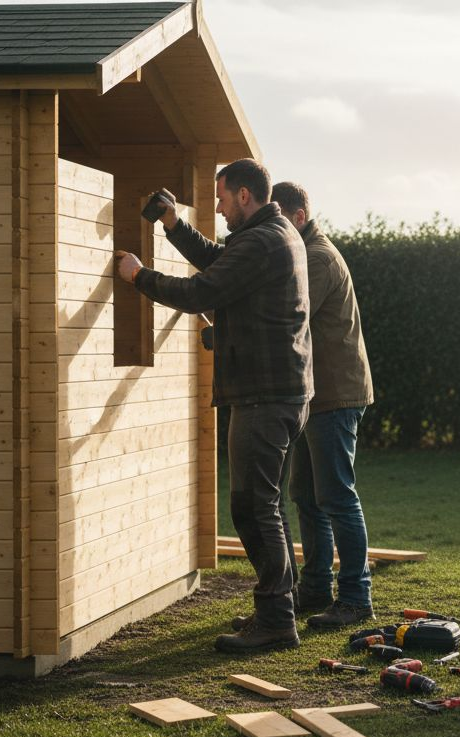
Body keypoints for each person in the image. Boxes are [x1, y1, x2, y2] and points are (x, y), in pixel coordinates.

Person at [114, 159, 312, 652]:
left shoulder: (264, 240)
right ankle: (277, 612)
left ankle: (275, 620)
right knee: (268, 508)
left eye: (222, 200)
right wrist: (172, 223)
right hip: (279, 392)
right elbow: (220, 260)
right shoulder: (270, 234)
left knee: (251, 508)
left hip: (264, 397)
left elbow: (203, 289)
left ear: (245, 195)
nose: (220, 210)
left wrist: (138, 276)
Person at [270, 181, 376, 628]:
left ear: (297, 217)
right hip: (319, 395)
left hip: (337, 394)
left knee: (336, 496)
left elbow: (289, 313)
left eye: (278, 223)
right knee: (306, 496)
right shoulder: (305, 251)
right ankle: (316, 588)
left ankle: (355, 597)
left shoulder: (316, 258)